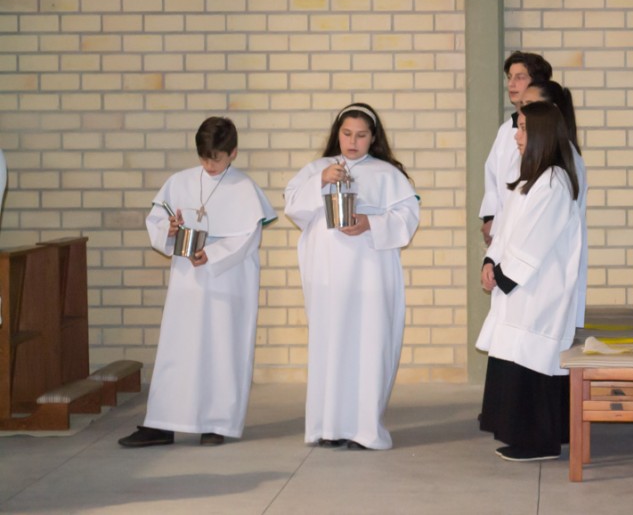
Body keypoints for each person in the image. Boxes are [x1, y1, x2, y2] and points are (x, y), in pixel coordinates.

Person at [119, 117, 276, 448]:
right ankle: (162, 423)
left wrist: (213, 254)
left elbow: (248, 237)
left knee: (222, 349)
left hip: (227, 282)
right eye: (204, 158)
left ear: (233, 153)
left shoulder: (244, 188)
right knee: (177, 349)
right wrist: (169, 230)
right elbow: (157, 221)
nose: (209, 165)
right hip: (188, 282)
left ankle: (216, 423)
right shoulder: (180, 181)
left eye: (216, 158)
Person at [285, 103, 419, 450]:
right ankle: (328, 427)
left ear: (373, 138)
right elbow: (293, 207)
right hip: (327, 275)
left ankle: (364, 429)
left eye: (361, 135)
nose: (353, 141)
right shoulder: (317, 169)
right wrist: (320, 181)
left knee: (368, 345)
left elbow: (407, 219)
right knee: (330, 346)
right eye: (347, 134)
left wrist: (370, 222)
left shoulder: (388, 174)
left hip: (370, 274)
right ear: (338, 134)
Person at [477, 101, 582, 462]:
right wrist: (491, 260)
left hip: (539, 291)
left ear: (542, 134)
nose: (516, 136)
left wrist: (504, 275)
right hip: (522, 288)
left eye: (523, 129)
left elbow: (533, 240)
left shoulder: (553, 182)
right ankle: (525, 435)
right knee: (517, 358)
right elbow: (506, 229)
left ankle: (539, 442)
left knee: (532, 362)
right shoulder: (531, 178)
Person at [519, 79, 588, 327]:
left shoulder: (558, 171)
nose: (523, 110)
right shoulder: (547, 158)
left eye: (531, 104)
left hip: (549, 274)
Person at [479, 51, 552, 245]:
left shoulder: (550, 131)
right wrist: (489, 218)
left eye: (520, 77)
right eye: (509, 77)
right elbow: (492, 176)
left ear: (537, 83)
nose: (511, 84)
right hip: (503, 229)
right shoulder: (505, 130)